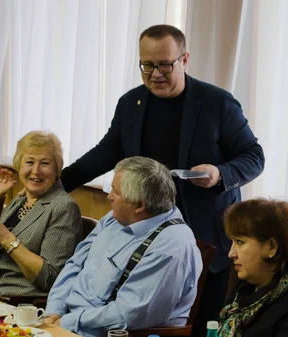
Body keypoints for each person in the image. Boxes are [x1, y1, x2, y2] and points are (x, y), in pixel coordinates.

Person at [59, 24, 265, 335]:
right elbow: (105, 153)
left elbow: (254, 156)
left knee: (198, 325)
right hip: (145, 235)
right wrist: (57, 184)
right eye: (147, 65)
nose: (155, 74)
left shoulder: (217, 103)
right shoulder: (131, 103)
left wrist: (220, 174)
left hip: (205, 237)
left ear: (184, 60)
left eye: (165, 65)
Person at [45, 157, 202, 337]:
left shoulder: (170, 247)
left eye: (115, 191)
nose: (109, 196)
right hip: (66, 324)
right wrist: (54, 311)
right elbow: (75, 264)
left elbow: (130, 313)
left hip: (110, 332)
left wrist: (68, 322)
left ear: (139, 205)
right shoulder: (114, 218)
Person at [0, 131, 82, 299]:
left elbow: (51, 277)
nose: (36, 171)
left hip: (21, 305)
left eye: (45, 163)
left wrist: (5, 238)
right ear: (19, 165)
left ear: (57, 169)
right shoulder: (21, 200)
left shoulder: (63, 207)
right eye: (29, 162)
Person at [219, 199, 288, 337]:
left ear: (271, 247)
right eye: (232, 242)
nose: (231, 253)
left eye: (240, 242)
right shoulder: (246, 287)